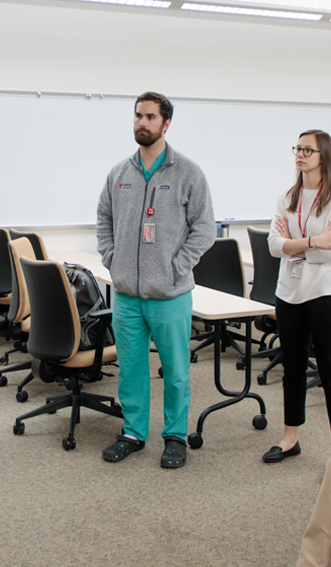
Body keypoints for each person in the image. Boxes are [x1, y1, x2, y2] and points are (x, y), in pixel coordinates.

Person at [96, 91, 215, 469]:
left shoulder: (188, 173)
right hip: (127, 294)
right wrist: (112, 259)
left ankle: (175, 435)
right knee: (131, 368)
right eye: (137, 116)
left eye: (150, 117)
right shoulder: (119, 173)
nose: (141, 123)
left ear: (166, 124)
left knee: (176, 370)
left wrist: (177, 266)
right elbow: (104, 220)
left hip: (170, 294)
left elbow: (205, 229)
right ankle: (133, 432)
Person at [262, 130, 331, 464]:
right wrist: (314, 241)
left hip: (327, 292)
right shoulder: (289, 195)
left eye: (307, 149)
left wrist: (295, 245)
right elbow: (273, 246)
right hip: (289, 293)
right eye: (297, 148)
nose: (300, 154)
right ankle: (290, 439)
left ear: (323, 155)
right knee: (293, 368)